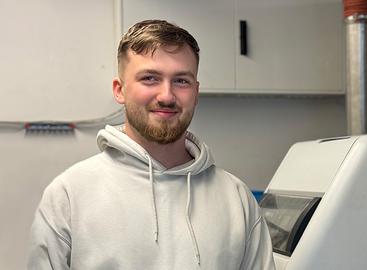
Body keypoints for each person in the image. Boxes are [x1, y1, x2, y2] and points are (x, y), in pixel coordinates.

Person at [28, 19, 275, 270]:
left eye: (181, 81)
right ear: (119, 90)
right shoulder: (69, 195)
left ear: (196, 92)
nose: (166, 96)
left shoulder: (236, 199)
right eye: (149, 78)